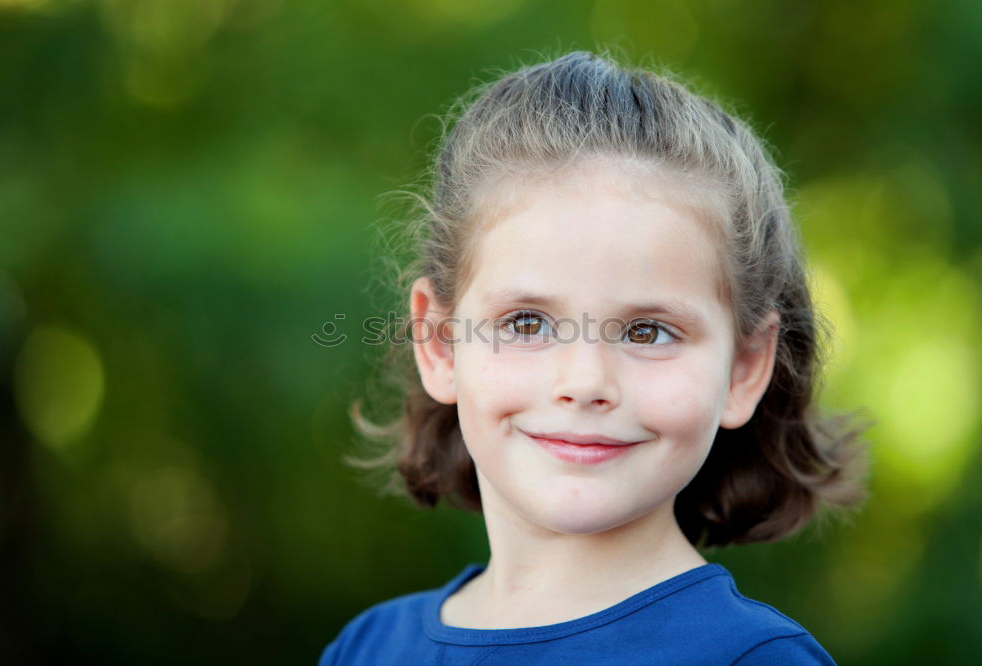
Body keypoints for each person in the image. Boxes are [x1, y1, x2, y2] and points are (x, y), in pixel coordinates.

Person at [320, 51, 866, 665]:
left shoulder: (751, 660)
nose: (585, 383)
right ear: (442, 344)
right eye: (526, 323)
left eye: (648, 332)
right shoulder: (367, 649)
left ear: (744, 368)